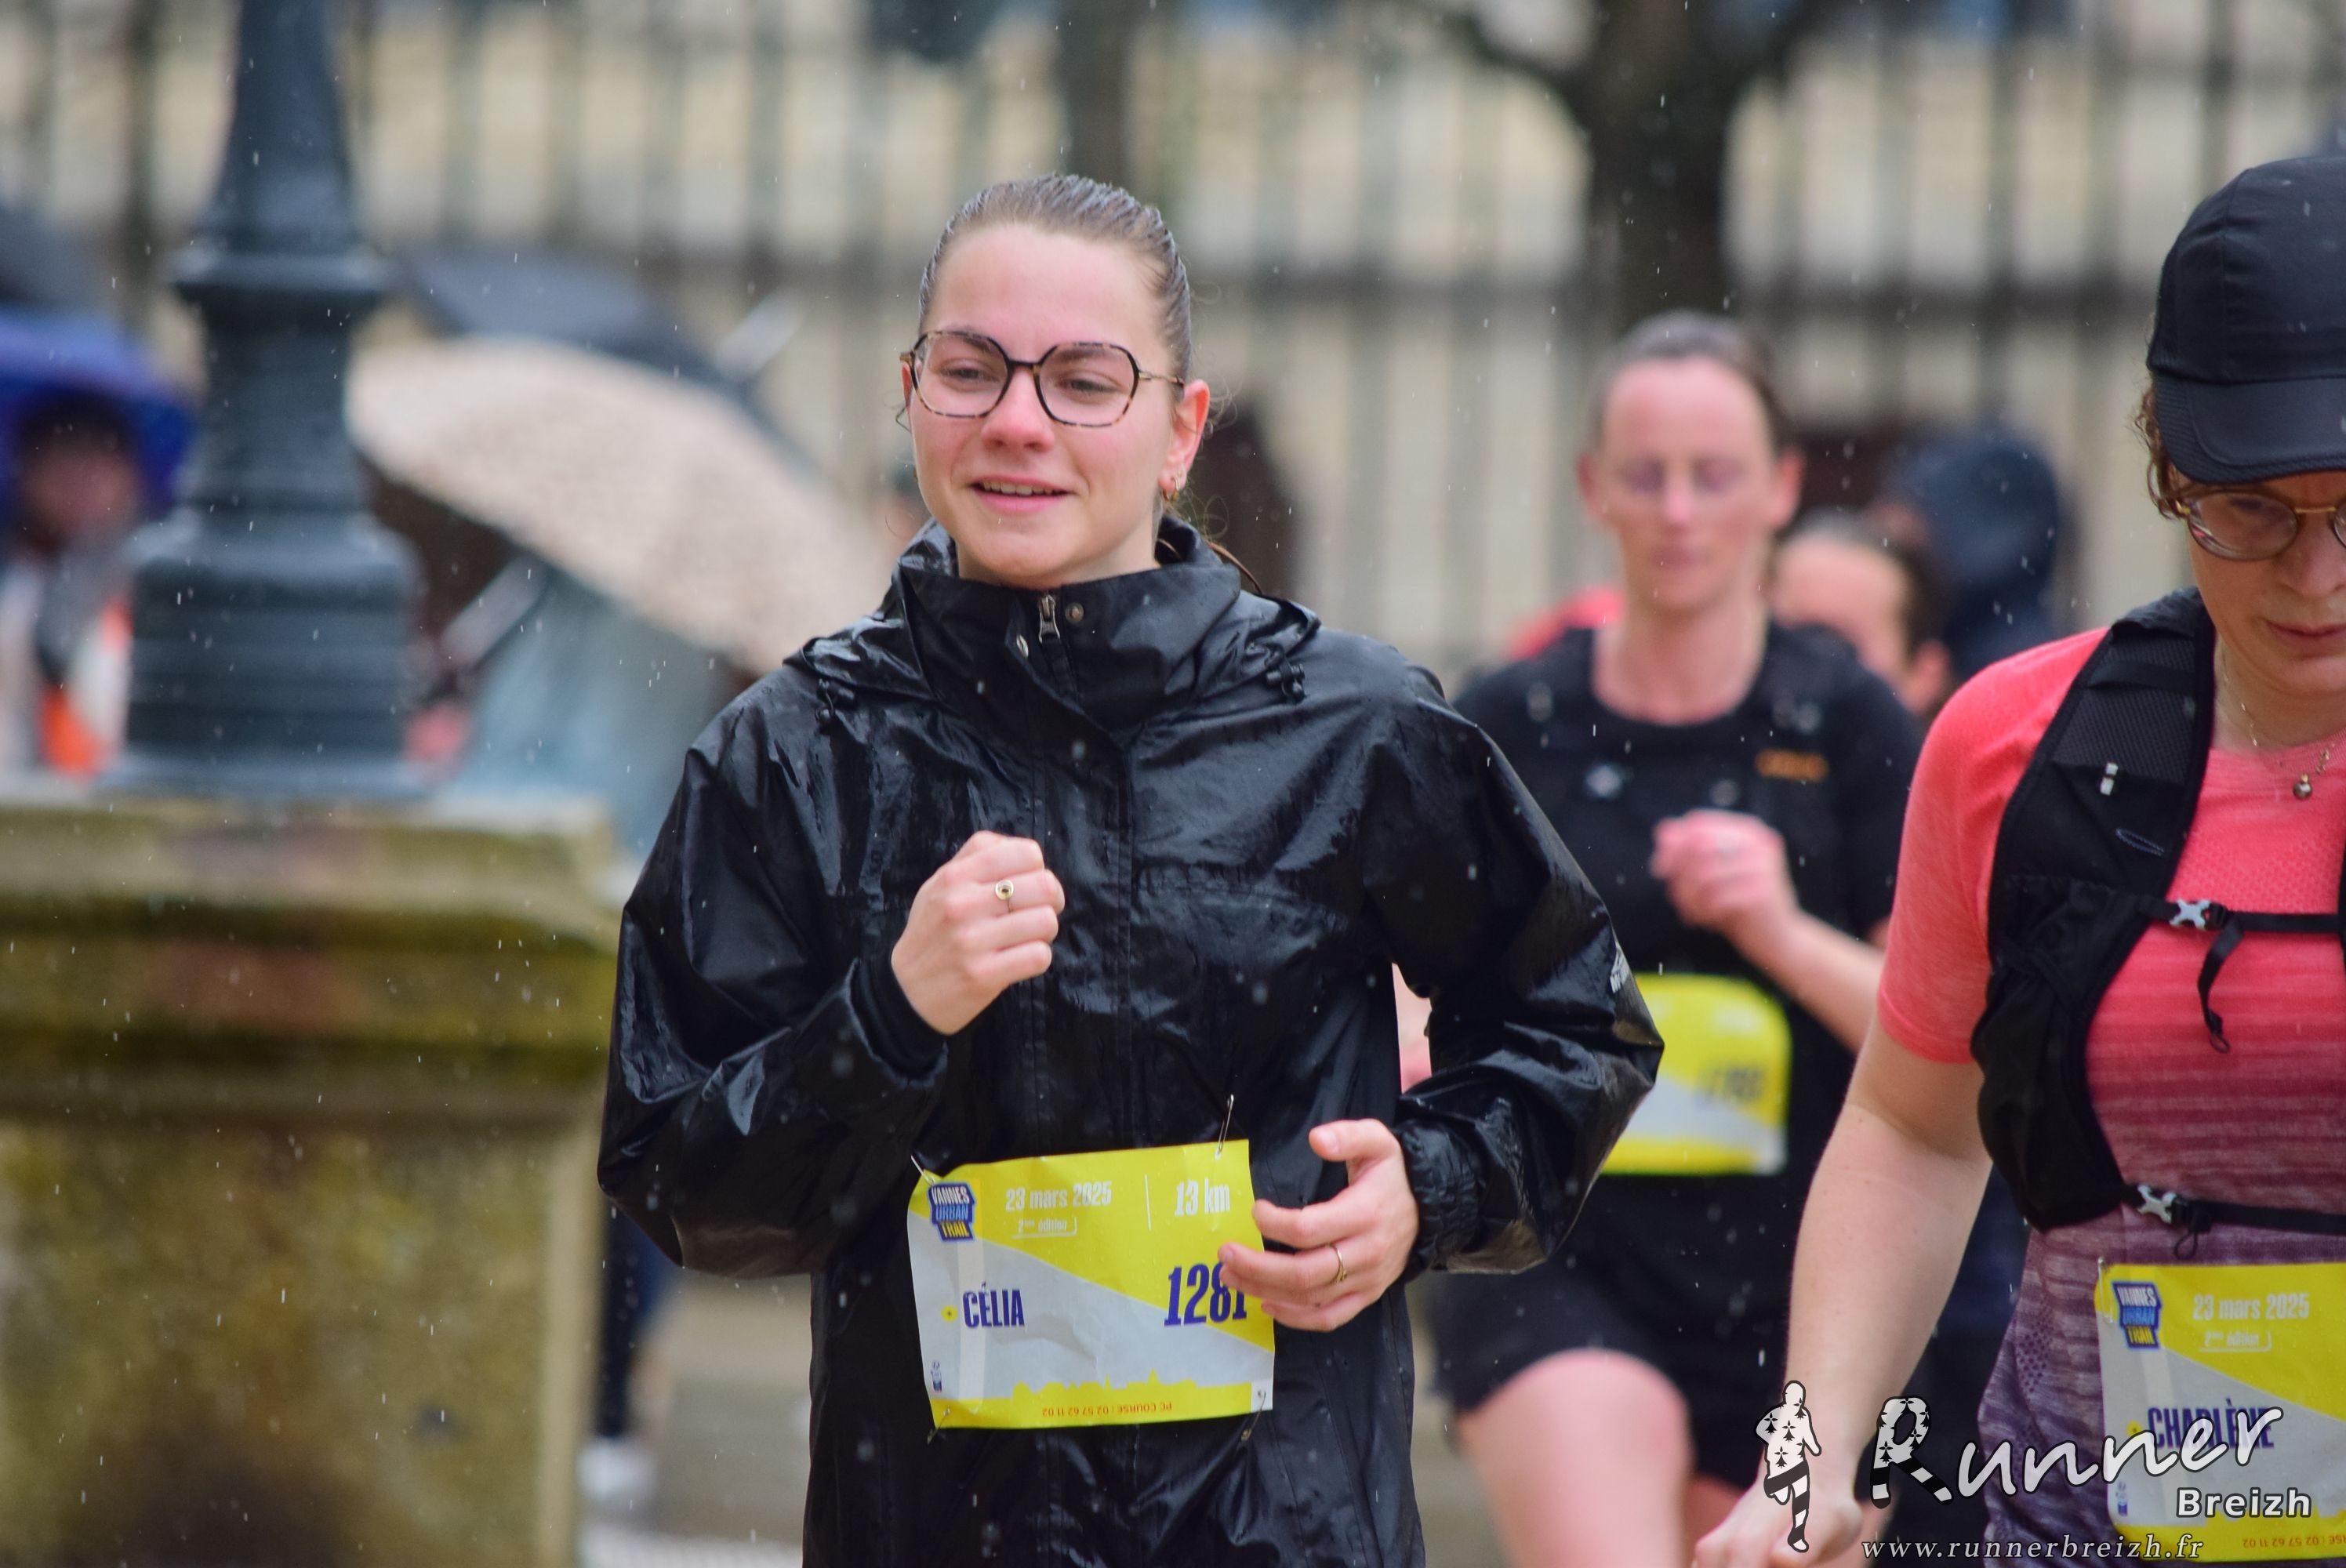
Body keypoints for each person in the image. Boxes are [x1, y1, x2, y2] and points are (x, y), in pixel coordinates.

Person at [597, 173, 1661, 1566]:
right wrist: (888, 1017)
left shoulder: (1352, 728)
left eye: (1084, 382)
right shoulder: (797, 751)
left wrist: (1426, 1185)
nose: (1017, 421)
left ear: (1180, 430)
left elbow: (1575, 1027)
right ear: (911, 394)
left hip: (1278, 1530)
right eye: (970, 370)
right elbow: (677, 1174)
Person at [1697, 152, 2346, 1565]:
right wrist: (1805, 1467)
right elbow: (1910, 1130)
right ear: (2169, 473)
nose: (2316, 576)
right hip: (2079, 1525)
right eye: (2251, 511)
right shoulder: (2019, 744)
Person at [1421, 311, 1922, 1568]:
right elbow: (1407, 988)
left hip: (1813, 1273)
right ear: (1594, 488)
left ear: (1783, 488)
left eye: (1716, 475)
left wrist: (1780, 931)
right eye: (1646, 476)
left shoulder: (1852, 723)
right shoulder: (1511, 720)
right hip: (1558, 1247)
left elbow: (1935, 1042)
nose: (1680, 512)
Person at [1768, 506, 2025, 1549]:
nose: (1801, 668)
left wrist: (1774, 931)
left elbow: (1940, 1046)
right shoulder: (1726, 786)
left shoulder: (1944, 802)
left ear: (1923, 674)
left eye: (1836, 644)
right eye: (1781, 628)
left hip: (1946, 1296)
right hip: (1750, 1269)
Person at [0, 391, 143, 774]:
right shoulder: (16, 571)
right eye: (61, 458)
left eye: (98, 457)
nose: (80, 479)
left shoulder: (151, 571)